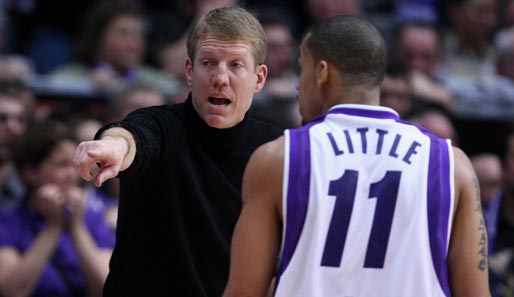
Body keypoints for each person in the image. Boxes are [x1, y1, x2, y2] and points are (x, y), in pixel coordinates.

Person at [223, 15, 491, 296]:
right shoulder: (452, 165)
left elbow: (244, 292)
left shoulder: (278, 159)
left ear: (322, 73)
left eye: (302, 71)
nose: (298, 86)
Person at [72, 6, 282, 297]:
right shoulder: (157, 124)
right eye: (208, 63)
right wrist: (112, 147)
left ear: (259, 79)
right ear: (189, 70)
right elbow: (133, 137)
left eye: (235, 65)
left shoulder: (277, 150)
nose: (220, 78)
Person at [0, 120, 114, 297]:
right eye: (61, 165)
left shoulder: (91, 219)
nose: (72, 174)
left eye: (74, 165)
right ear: (30, 172)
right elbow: (13, 292)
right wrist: (53, 227)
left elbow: (105, 287)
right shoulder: (7, 223)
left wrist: (77, 228)